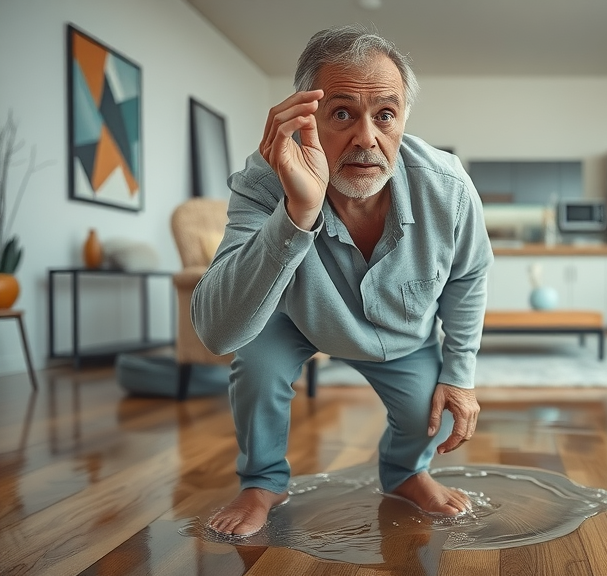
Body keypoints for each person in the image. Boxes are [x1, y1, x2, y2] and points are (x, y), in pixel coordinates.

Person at [192, 25, 493, 536]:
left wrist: (459, 373)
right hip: (295, 318)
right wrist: (298, 212)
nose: (366, 138)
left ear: (402, 120)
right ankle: (263, 482)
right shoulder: (266, 179)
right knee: (257, 365)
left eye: (385, 115)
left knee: (435, 410)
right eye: (342, 114)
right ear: (306, 117)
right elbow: (218, 332)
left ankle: (404, 474)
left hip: (401, 334)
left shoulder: (448, 186)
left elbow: (469, 274)